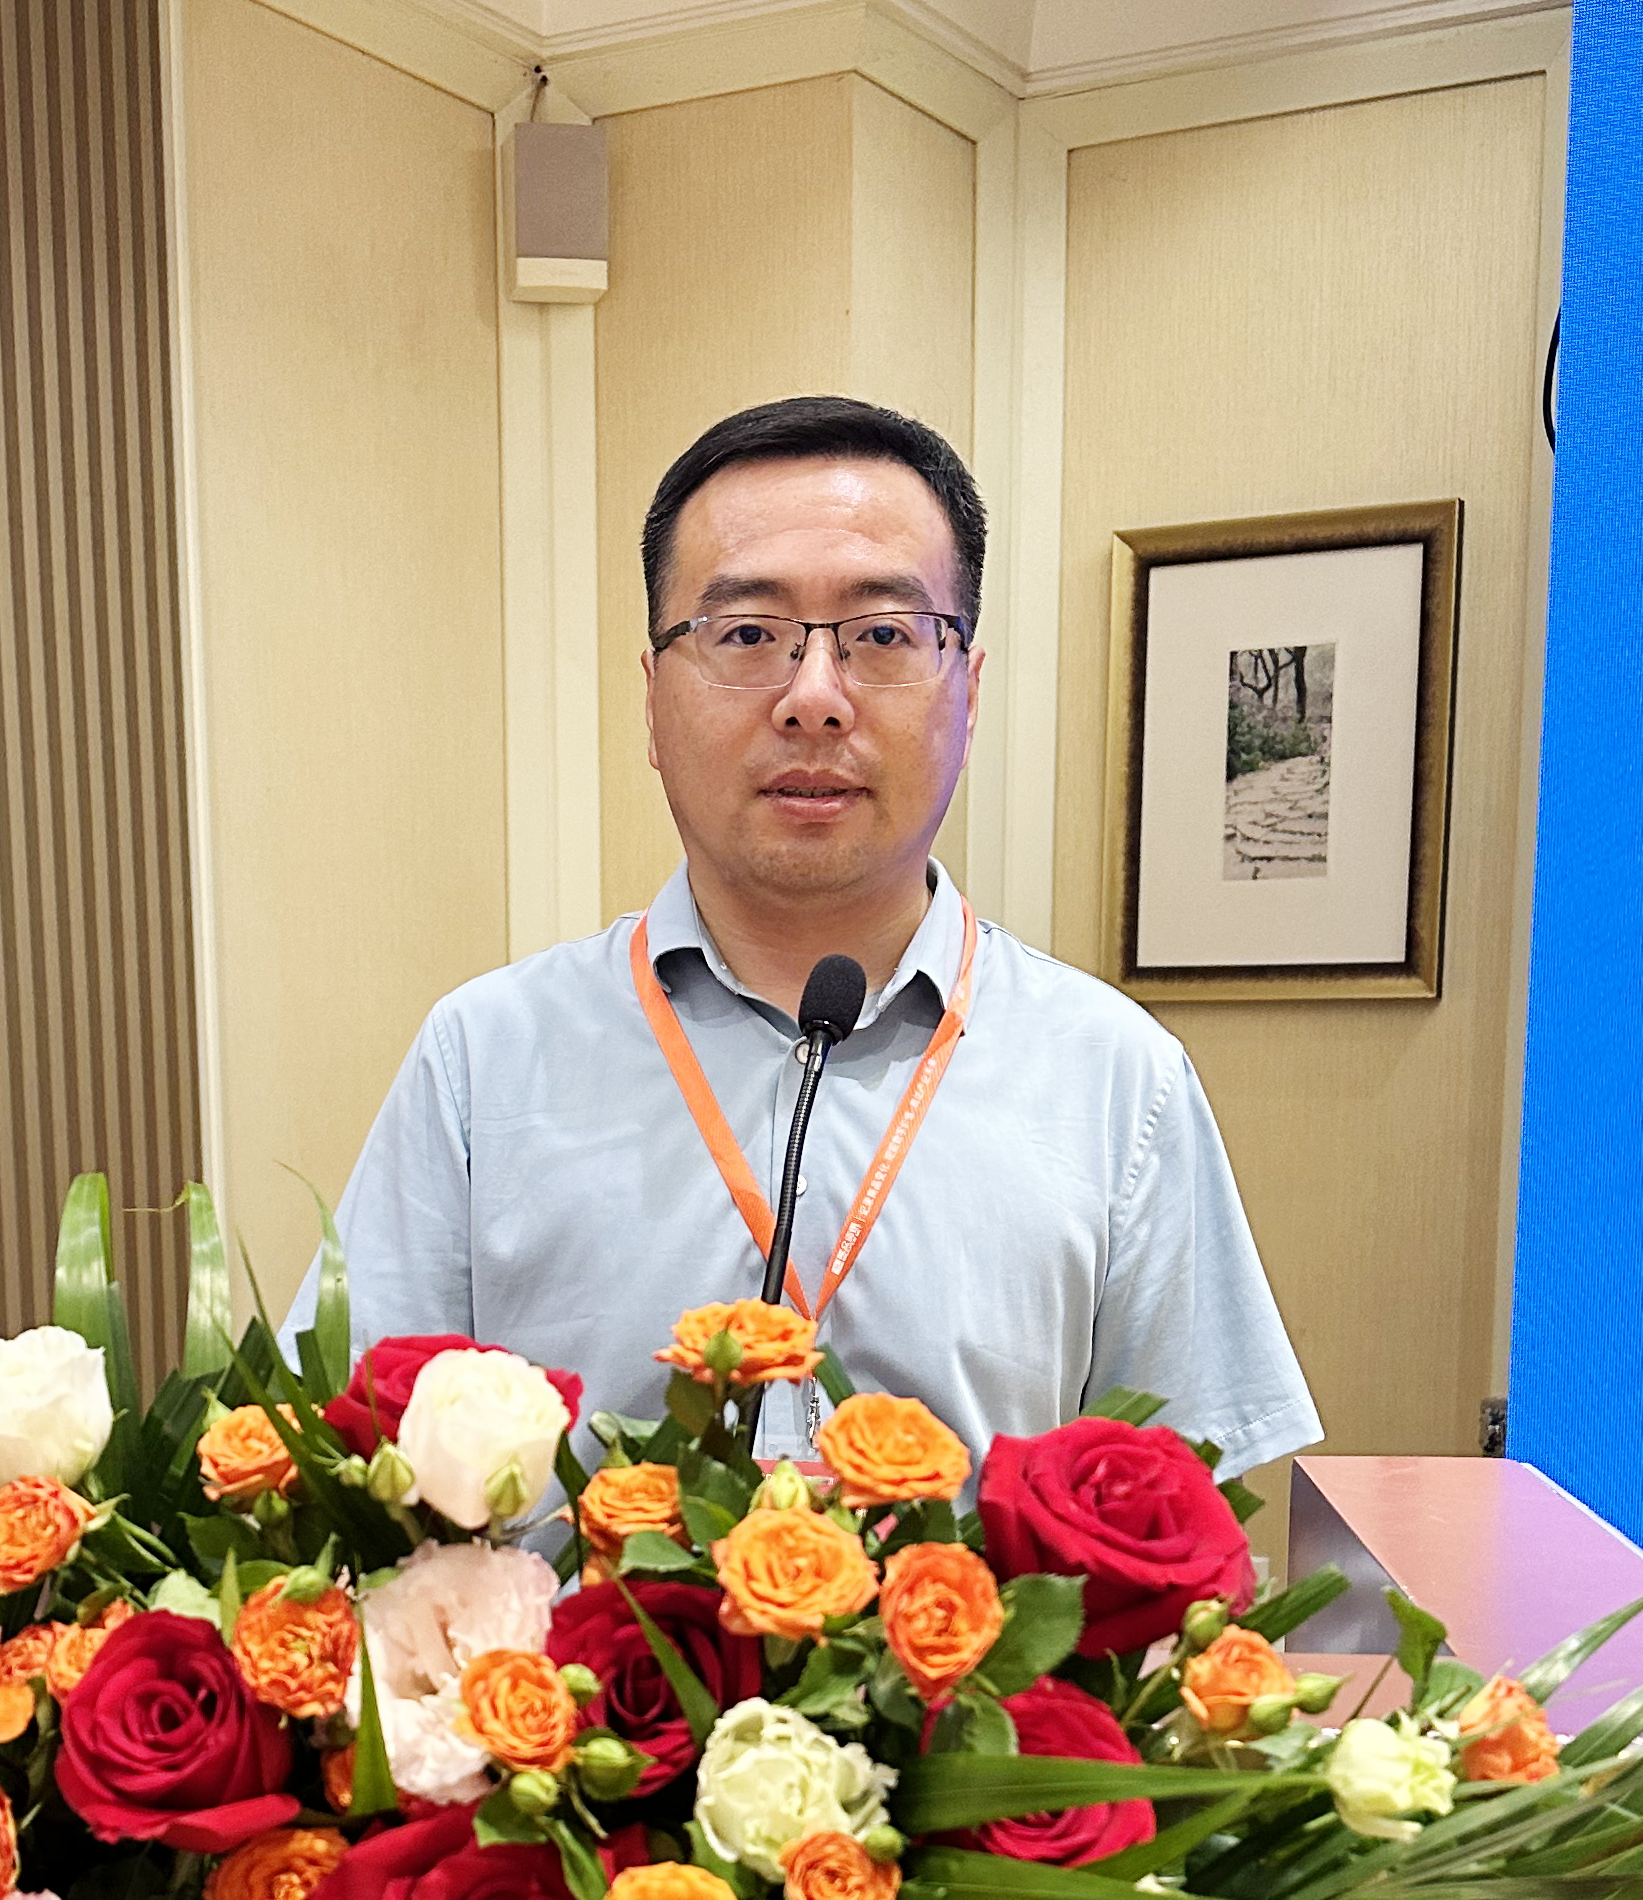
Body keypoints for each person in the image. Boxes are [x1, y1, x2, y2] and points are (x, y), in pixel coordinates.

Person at [290, 396, 1317, 1476]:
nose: (814, 699)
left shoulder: (1118, 1082)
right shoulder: (483, 1061)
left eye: (882, 636)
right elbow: (344, 1474)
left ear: (968, 694)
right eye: (746, 635)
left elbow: (1188, 1515)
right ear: (652, 700)